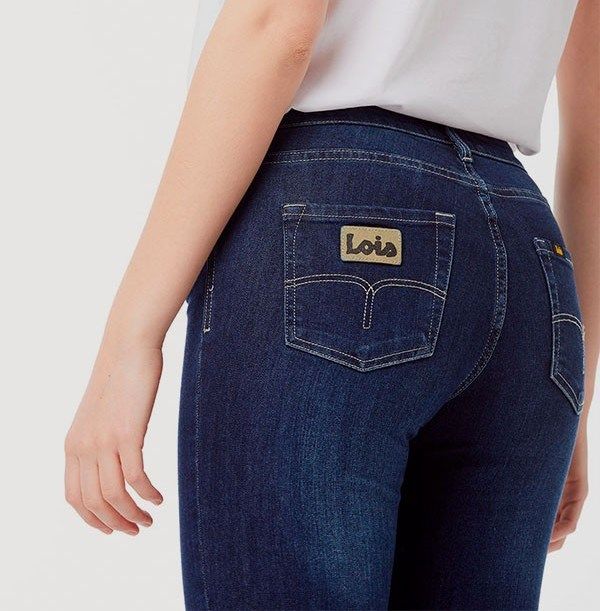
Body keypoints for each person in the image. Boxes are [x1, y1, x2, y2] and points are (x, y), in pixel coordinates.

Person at [64, 1, 599, 609]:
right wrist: (576, 400)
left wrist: (130, 337)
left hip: (335, 216)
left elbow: (276, 23)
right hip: (529, 258)